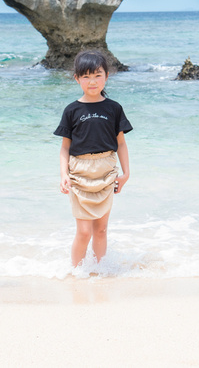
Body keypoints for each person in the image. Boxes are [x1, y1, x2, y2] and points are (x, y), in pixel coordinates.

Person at [54, 49, 132, 267]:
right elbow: (64, 148)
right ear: (77, 79)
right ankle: (76, 272)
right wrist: (64, 175)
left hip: (106, 170)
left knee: (101, 229)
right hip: (79, 172)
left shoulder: (114, 108)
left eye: (97, 75)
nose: (92, 81)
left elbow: (121, 144)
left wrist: (126, 174)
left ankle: (100, 271)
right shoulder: (72, 110)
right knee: (84, 231)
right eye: (86, 76)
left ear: (107, 76)